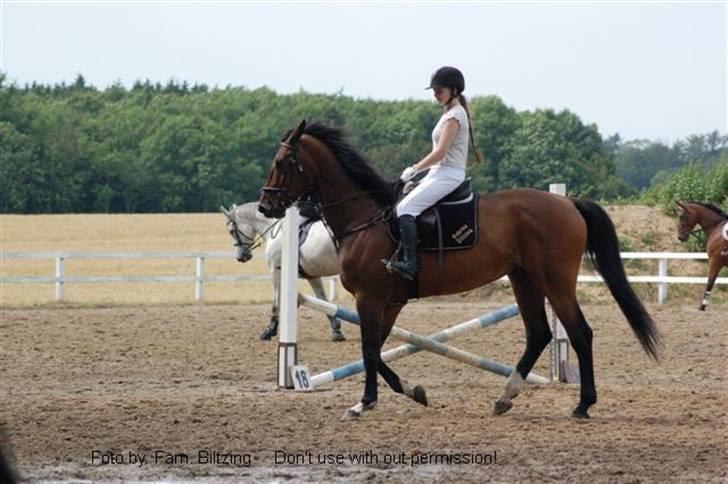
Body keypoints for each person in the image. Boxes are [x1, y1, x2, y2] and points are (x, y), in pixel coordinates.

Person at [386, 66, 484, 281]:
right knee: (402, 200)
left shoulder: (455, 116)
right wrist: (420, 177)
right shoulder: (448, 114)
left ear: (454, 91)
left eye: (439, 90)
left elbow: (440, 153)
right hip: (438, 173)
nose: (435, 94)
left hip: (448, 174)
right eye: (434, 90)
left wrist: (414, 169)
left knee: (405, 208)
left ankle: (410, 264)